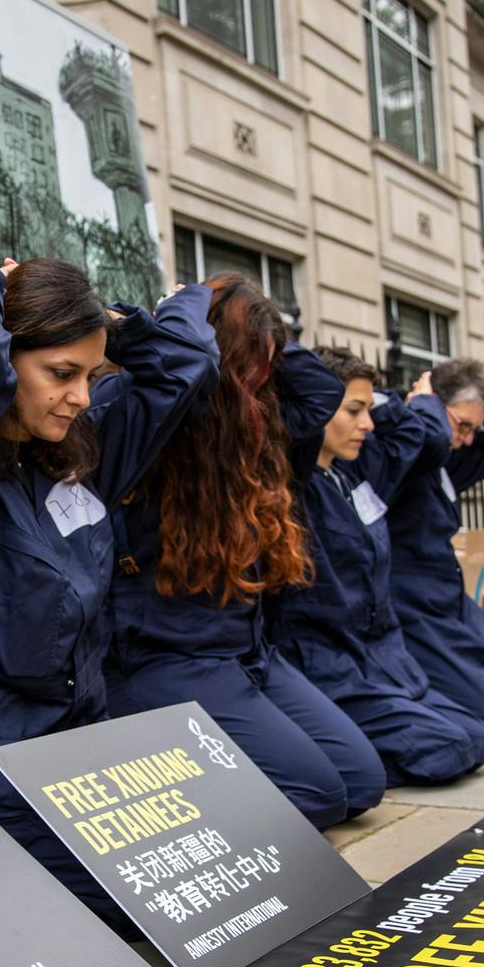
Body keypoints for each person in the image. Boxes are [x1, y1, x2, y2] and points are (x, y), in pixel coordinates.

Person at [0, 260, 217, 930]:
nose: (82, 397)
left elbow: (189, 361)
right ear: (8, 362)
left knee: (200, 869)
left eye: (92, 377)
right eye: (61, 374)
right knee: (139, 905)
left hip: (75, 753)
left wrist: (106, 326)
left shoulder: (83, 451)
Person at [102, 276, 385, 832]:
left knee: (360, 781)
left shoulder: (251, 428)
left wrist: (249, 308)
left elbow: (320, 392)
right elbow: (186, 375)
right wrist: (190, 308)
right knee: (317, 794)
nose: (265, 381)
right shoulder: (153, 416)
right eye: (251, 367)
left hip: (246, 655)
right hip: (164, 659)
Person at [271, 350, 484, 786]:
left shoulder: (352, 477)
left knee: (479, 736)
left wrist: (394, 402)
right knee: (448, 749)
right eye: (354, 411)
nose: (367, 425)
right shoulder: (293, 487)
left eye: (370, 411)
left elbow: (415, 438)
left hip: (383, 660)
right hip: (331, 665)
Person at [382, 358, 484, 739]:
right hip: (415, 609)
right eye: (462, 426)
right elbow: (427, 438)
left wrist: (470, 418)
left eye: (474, 429)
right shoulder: (405, 455)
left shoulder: (448, 464)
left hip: (454, 602)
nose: (466, 439)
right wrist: (427, 406)